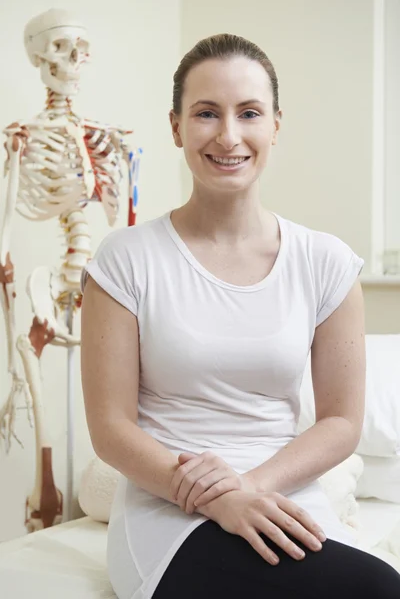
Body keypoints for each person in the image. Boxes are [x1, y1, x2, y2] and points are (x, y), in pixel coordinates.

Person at [80, 33, 400, 599]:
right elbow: (111, 428)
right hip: (168, 509)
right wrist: (218, 499)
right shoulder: (125, 259)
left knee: (380, 587)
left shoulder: (325, 263)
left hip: (280, 492)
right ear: (176, 126)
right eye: (206, 113)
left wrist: (248, 488)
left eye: (248, 112)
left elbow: (341, 423)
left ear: (276, 124)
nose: (228, 136)